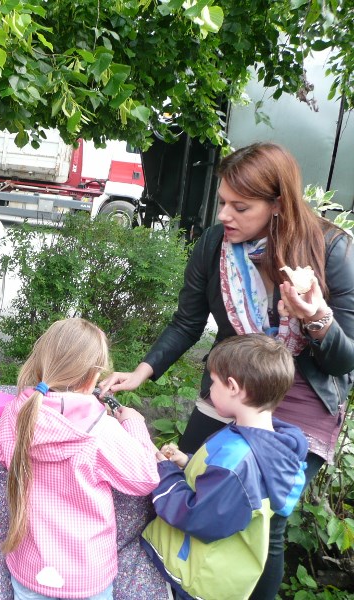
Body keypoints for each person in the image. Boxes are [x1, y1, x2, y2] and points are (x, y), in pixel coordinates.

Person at [100, 142, 354, 598]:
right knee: (189, 483)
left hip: (301, 397)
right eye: (222, 202)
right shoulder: (215, 245)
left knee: (263, 522)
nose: (225, 216)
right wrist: (141, 372)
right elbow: (187, 321)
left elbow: (343, 359)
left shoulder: (331, 249)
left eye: (241, 206)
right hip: (234, 385)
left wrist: (316, 319)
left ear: (278, 205)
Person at [0, 318, 160, 600]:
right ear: (92, 378)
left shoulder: (17, 412)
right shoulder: (100, 430)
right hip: (86, 577)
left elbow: (4, 455)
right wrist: (133, 424)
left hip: (29, 570)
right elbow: (145, 477)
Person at [141, 334, 308, 600]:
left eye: (214, 382)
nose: (209, 390)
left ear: (232, 386)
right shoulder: (266, 442)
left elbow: (199, 517)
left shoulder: (240, 462)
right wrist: (187, 462)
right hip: (220, 570)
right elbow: (227, 487)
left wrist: (166, 473)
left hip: (196, 577)